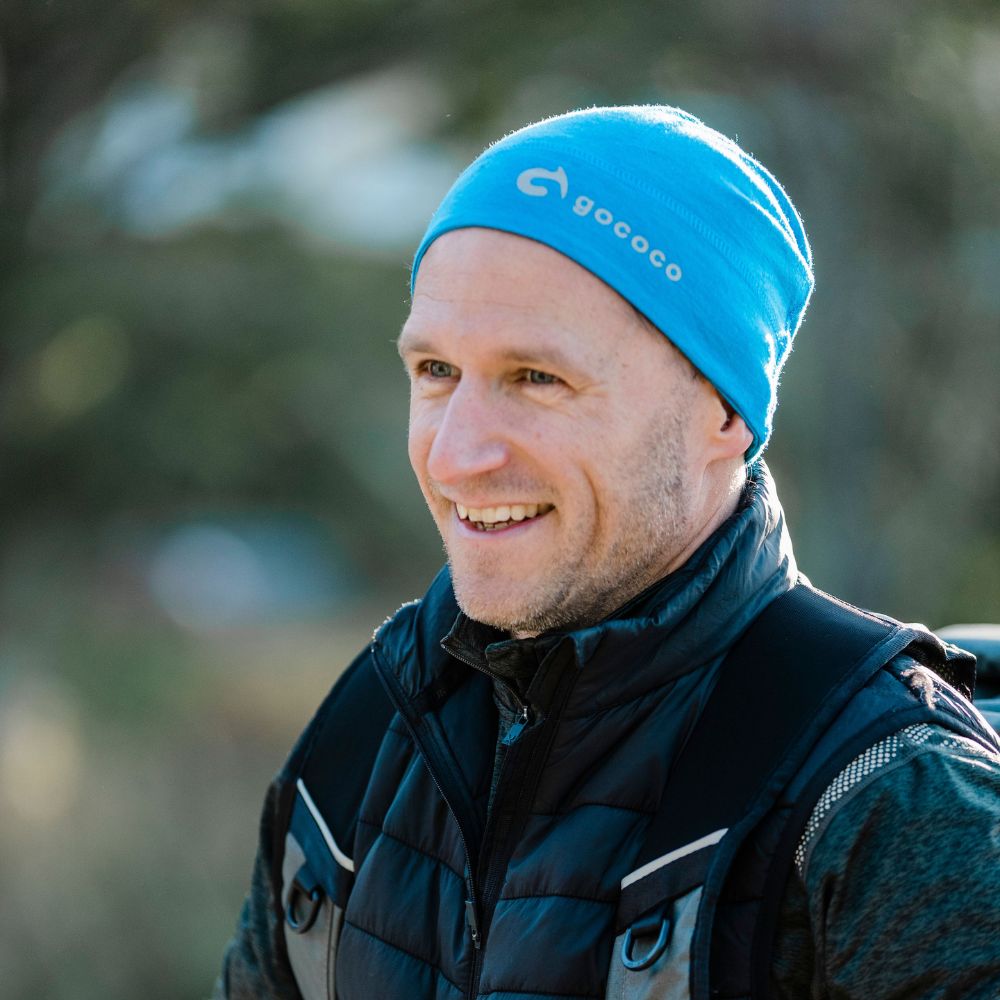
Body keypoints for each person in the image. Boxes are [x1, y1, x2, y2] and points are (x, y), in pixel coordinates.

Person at [215, 106, 1000, 1000]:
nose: (456, 454)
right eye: (435, 372)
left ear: (724, 412)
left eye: (536, 378)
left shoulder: (887, 802)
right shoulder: (359, 743)